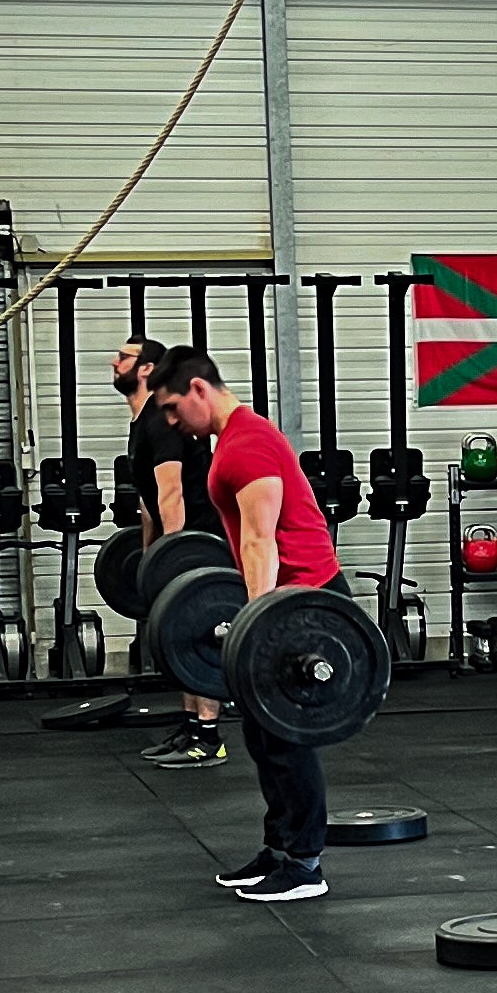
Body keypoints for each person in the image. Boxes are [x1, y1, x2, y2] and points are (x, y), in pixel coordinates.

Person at [149, 348, 344, 903]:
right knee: (261, 734)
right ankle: (280, 847)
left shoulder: (250, 442)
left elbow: (262, 541)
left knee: (286, 734)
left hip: (301, 599)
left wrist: (256, 623)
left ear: (198, 391)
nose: (169, 421)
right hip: (281, 597)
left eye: (170, 408)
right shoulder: (231, 440)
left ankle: (305, 864)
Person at [115, 333, 225, 771]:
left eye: (123, 357)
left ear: (145, 368)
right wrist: (147, 559)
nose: (114, 363)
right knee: (175, 636)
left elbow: (172, 494)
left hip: (197, 543)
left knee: (197, 636)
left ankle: (209, 736)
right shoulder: (142, 422)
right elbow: (147, 502)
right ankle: (190, 725)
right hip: (175, 544)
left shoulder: (160, 423)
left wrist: (172, 556)